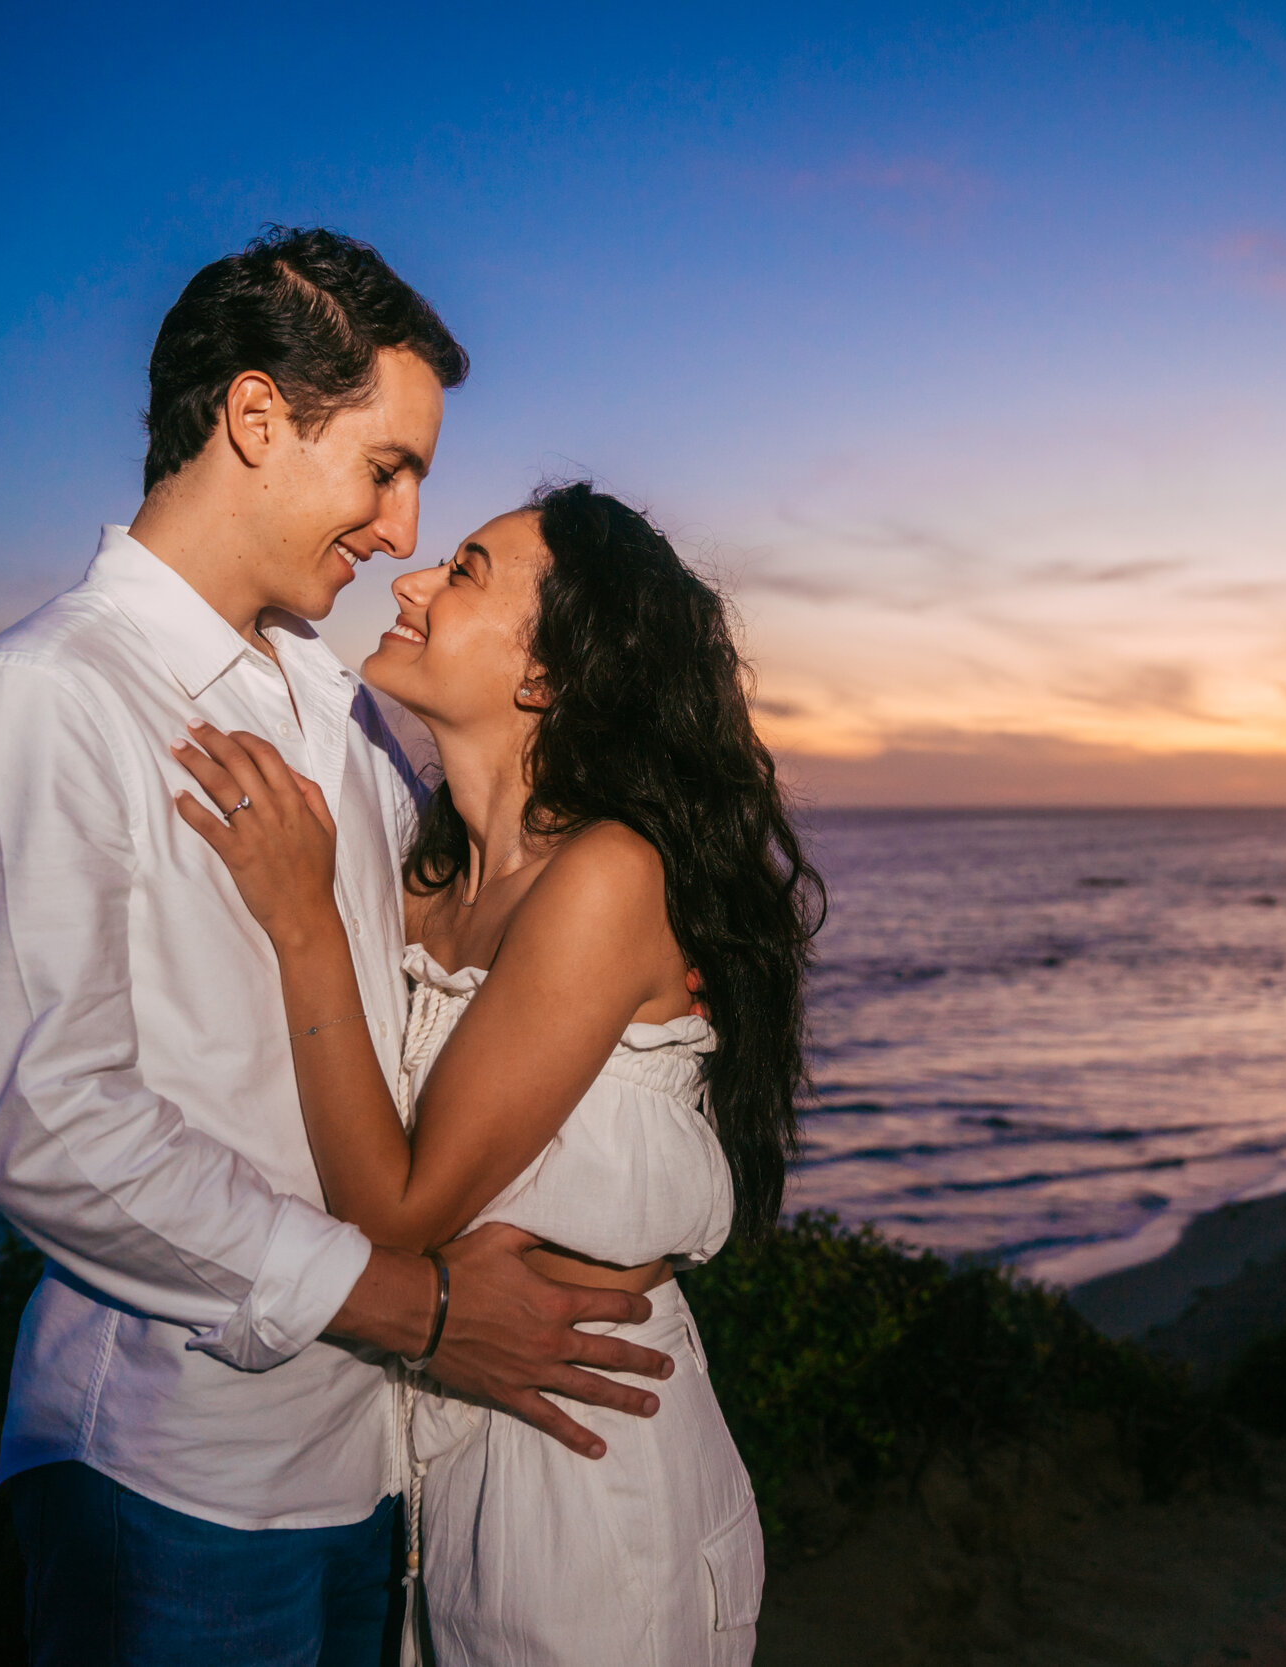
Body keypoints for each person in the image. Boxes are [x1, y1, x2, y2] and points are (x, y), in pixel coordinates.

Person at [0, 228, 677, 1667]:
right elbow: (53, 1132)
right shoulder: (48, 700)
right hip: (179, 1476)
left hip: (374, 1468)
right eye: (385, 467)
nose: (399, 530)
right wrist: (422, 1309)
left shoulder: (330, 710)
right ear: (256, 418)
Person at [169, 481, 821, 1664]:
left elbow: (400, 1210)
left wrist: (303, 921)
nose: (408, 578)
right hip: (431, 1455)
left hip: (589, 1468)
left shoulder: (607, 874)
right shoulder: (425, 878)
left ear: (548, 673)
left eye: (464, 570)